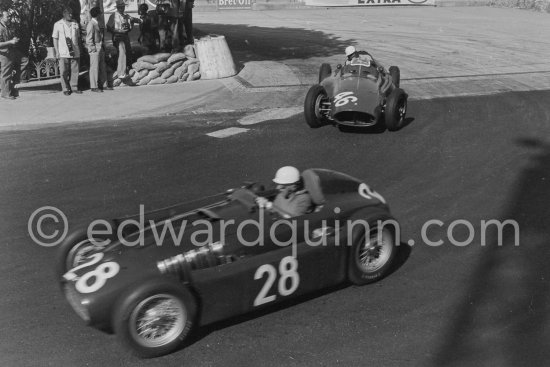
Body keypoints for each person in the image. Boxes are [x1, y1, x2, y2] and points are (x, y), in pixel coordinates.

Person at [0, 8, 29, 100]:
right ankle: (5, 93)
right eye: (7, 16)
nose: (9, 18)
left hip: (12, 51)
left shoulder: (6, 26)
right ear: (1, 17)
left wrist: (14, 40)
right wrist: (10, 42)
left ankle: (16, 84)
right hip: (5, 53)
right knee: (6, 73)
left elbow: (9, 39)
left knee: (24, 60)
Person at [52, 7, 82, 95]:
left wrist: (80, 49)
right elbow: (55, 38)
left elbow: (78, 37)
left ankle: (74, 87)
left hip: (75, 51)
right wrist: (57, 51)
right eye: (69, 14)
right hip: (63, 51)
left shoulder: (75, 23)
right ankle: (65, 88)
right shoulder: (58, 24)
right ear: (64, 14)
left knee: (75, 70)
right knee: (64, 71)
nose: (71, 15)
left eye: (71, 13)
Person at [107, 0, 140, 79]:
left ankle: (127, 69)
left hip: (125, 36)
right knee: (122, 52)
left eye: (123, 7)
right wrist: (117, 31)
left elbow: (133, 20)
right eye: (121, 7)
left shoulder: (126, 15)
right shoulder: (113, 16)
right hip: (118, 37)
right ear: (117, 8)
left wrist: (139, 21)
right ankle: (121, 72)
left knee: (128, 52)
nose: (122, 8)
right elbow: (108, 28)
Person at [86, 7, 107, 92]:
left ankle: (103, 85)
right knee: (94, 67)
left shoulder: (96, 23)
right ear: (97, 14)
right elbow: (89, 38)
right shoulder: (91, 24)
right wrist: (92, 47)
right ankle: (94, 86)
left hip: (100, 46)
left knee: (102, 66)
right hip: (95, 47)